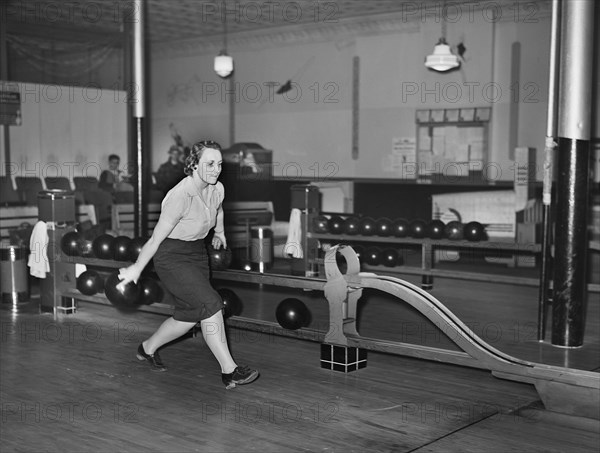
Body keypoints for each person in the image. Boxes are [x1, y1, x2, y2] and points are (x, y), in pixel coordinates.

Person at [117, 140, 259, 389]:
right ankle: (230, 370)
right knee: (211, 304)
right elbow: (154, 240)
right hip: (172, 257)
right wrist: (137, 269)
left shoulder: (217, 189)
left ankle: (147, 348)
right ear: (193, 164)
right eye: (210, 164)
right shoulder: (179, 196)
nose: (216, 169)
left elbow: (219, 209)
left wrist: (220, 232)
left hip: (197, 254)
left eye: (219, 164)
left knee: (188, 316)